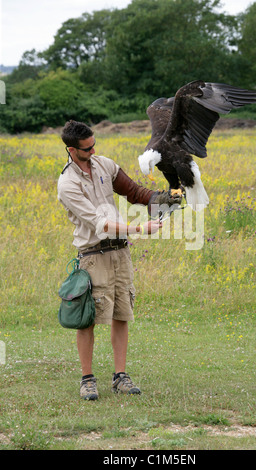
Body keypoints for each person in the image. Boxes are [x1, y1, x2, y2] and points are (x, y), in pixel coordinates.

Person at [57, 120, 181, 400]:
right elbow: (100, 223)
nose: (93, 151)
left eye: (94, 145)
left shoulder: (104, 164)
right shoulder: (67, 184)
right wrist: (140, 229)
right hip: (93, 255)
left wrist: (161, 198)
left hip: (120, 253)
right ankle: (87, 379)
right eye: (87, 149)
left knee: (121, 314)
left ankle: (120, 377)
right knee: (87, 318)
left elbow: (133, 191)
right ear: (71, 150)